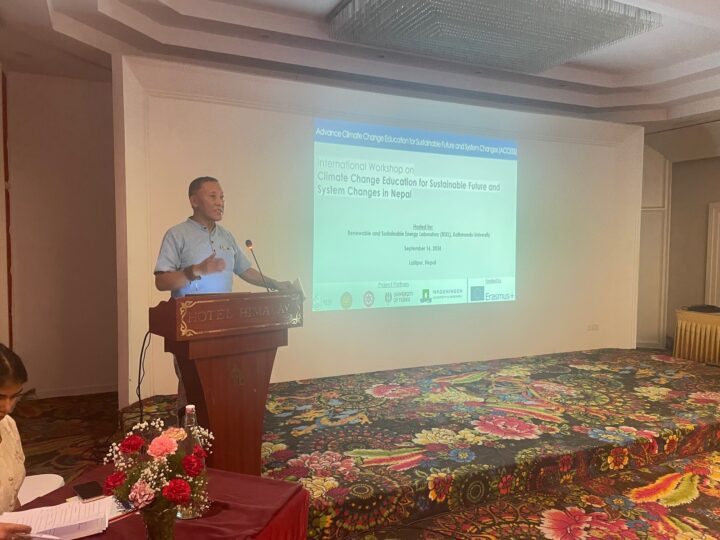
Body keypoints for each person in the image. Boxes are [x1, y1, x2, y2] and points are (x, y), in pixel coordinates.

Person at [154, 176, 294, 413]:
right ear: (194, 200)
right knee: (193, 392)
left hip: (226, 326)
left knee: (226, 386)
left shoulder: (226, 236)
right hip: (192, 329)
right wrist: (195, 270)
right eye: (213, 196)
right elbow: (161, 280)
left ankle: (224, 436)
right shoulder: (177, 235)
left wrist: (276, 284)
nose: (220, 202)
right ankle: (192, 442)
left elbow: (245, 270)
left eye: (222, 198)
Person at [0, 343, 32, 539]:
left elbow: (10, 495)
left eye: (14, 397)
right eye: (0, 397)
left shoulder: (8, 425)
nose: (8, 407)